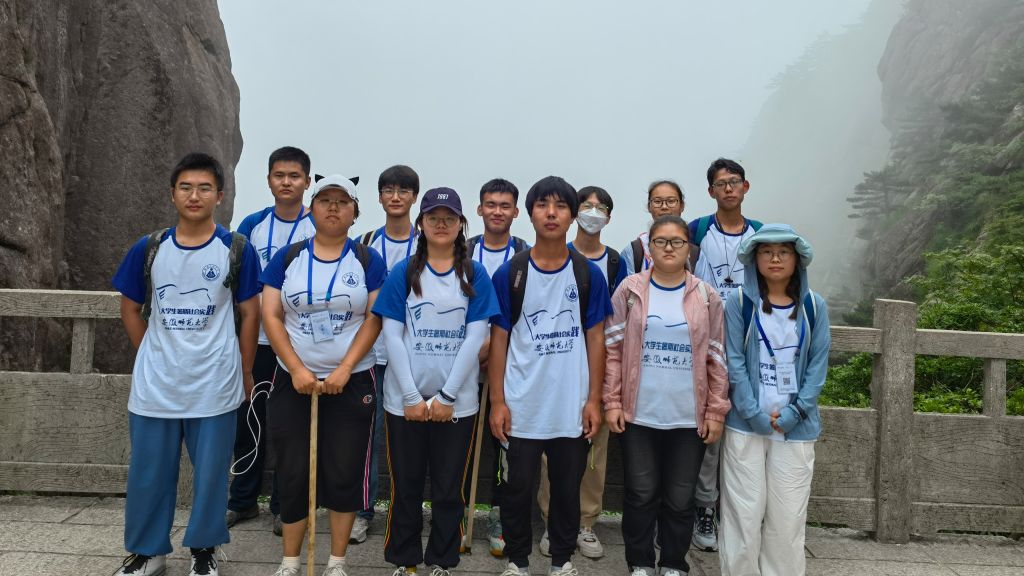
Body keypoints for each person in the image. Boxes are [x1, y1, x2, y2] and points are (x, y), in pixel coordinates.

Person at [111, 152, 262, 576]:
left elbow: (250, 313)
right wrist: (151, 351)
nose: (195, 196)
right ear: (173, 194)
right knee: (148, 473)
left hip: (214, 381)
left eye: (204, 188)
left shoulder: (236, 249)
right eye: (186, 187)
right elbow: (129, 307)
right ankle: (148, 552)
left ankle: (204, 550)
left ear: (220, 195)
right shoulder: (149, 248)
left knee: (211, 475)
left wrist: (246, 371)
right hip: (156, 385)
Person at [260, 174, 386, 576]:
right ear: (311, 209)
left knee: (344, 470)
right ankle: (290, 562)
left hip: (353, 380)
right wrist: (297, 368)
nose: (333, 207)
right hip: (292, 379)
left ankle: (336, 562)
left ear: (355, 212)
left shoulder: (366, 259)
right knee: (293, 470)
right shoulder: (288, 257)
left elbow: (375, 317)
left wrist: (345, 368)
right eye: (325, 200)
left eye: (342, 201)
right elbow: (271, 315)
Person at [371, 187, 500, 576]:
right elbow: (392, 335)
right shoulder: (403, 272)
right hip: (404, 401)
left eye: (449, 218)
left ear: (461, 224)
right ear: (421, 223)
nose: (441, 224)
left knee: (448, 488)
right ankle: (405, 560)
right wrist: (412, 396)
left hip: (457, 403)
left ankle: (443, 560)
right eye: (433, 217)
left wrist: (446, 396)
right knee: (405, 486)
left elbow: (475, 338)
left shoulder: (474, 274)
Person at [488, 176, 613, 576]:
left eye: (560, 206)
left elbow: (596, 338)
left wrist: (593, 399)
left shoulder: (588, 275)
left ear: (572, 215)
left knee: (566, 489)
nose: (551, 213)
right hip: (522, 403)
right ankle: (517, 561)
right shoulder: (511, 273)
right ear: (530, 214)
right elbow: (499, 340)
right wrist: (497, 401)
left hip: (570, 404)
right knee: (517, 487)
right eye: (542, 205)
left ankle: (562, 561)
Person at [603, 215, 730, 576]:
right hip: (639, 413)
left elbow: (717, 356)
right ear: (650, 247)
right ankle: (640, 563)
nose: (669, 248)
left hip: (688, 416)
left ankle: (674, 563)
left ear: (689, 247)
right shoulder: (630, 291)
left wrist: (716, 410)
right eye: (661, 241)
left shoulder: (706, 296)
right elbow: (612, 351)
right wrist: (612, 401)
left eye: (677, 242)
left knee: (680, 496)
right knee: (640, 493)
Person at [718, 224, 830, 576]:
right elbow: (734, 361)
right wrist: (753, 413)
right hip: (746, 425)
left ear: (798, 259)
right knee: (743, 513)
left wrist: (797, 411)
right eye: (766, 252)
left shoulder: (813, 306)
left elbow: (818, 365)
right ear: (755, 259)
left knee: (788, 517)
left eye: (784, 252)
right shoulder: (739, 303)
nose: (775, 258)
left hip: (795, 428)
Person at [230, 146, 318, 535]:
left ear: (307, 182)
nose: (286, 182)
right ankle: (243, 500)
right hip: (257, 341)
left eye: (294, 176)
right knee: (249, 422)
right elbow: (238, 282)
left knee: (290, 428)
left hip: (299, 345)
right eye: (279, 175)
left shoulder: (317, 226)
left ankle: (285, 507)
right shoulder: (252, 224)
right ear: (268, 180)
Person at [537, 185, 627, 559]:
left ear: (609, 216)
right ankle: (552, 522)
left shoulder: (615, 263)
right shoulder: (554, 254)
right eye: (586, 205)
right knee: (549, 452)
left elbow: (614, 323)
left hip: (596, 369)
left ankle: (586, 523)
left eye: (600, 207)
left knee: (594, 451)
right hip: (552, 369)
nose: (593, 212)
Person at [688, 158, 763, 551]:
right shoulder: (697, 231)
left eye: (735, 182)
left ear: (746, 187)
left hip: (749, 343)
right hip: (705, 344)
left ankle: (740, 513)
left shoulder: (761, 235)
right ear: (711, 191)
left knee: (746, 427)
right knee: (708, 429)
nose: (729, 188)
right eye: (722, 183)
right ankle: (704, 508)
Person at [353, 164, 421, 544]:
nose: (396, 197)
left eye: (403, 190)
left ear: (414, 197)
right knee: (367, 437)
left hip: (417, 357)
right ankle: (363, 510)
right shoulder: (364, 243)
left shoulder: (428, 244)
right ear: (379, 197)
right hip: (372, 357)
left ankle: (407, 511)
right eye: (388, 190)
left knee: (413, 439)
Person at [464, 177, 530, 557]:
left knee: (506, 444)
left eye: (505, 205)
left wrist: (495, 345)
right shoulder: (463, 251)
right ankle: (458, 513)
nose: (497, 211)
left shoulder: (525, 254)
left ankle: (499, 515)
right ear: (479, 209)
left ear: (516, 212)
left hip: (507, 365)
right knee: (460, 443)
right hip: (464, 363)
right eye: (490, 204)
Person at [620, 180, 685, 274]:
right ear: (649, 206)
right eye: (657, 201)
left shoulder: (695, 251)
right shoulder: (634, 251)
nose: (664, 207)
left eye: (671, 201)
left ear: (682, 206)